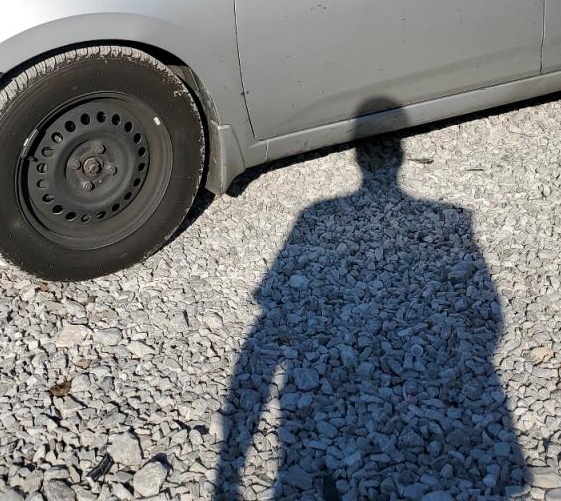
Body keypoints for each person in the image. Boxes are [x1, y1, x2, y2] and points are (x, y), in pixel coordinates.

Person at [216, 99, 523, 499]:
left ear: (358, 162)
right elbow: (490, 320)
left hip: (312, 403)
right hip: (453, 404)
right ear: (400, 159)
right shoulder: (453, 218)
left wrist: (231, 467)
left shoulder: (316, 216)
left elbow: (271, 315)